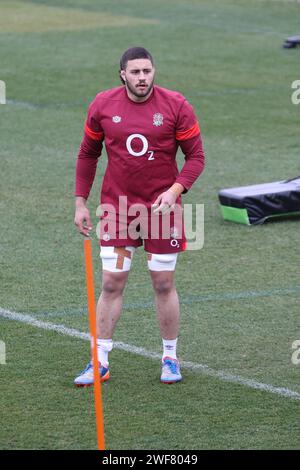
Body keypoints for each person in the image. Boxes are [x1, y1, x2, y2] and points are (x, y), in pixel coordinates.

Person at [74, 47, 205, 386]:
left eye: (147, 71)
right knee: (111, 282)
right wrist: (79, 202)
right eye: (135, 72)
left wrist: (175, 191)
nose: (142, 78)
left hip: (163, 211)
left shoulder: (176, 105)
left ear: (154, 71)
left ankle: (170, 358)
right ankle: (99, 360)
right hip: (117, 211)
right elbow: (88, 155)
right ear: (123, 75)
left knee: (163, 283)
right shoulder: (103, 105)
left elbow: (196, 158)